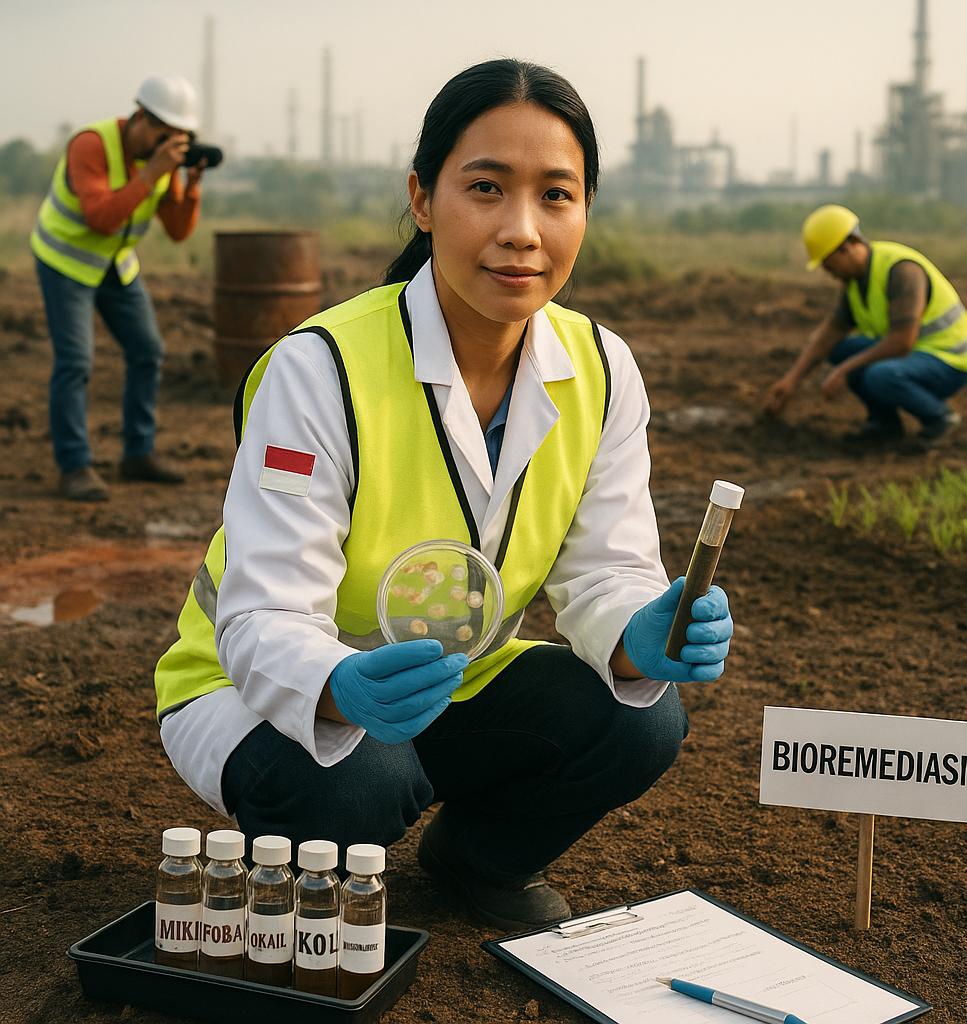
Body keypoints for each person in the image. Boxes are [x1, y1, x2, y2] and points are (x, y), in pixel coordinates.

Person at [153, 59, 734, 932]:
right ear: (423, 199)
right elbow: (262, 613)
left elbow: (607, 571)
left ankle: (481, 857)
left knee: (641, 723)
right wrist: (336, 682)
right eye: (486, 188)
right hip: (256, 681)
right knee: (361, 786)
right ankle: (330, 827)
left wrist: (635, 633)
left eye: (556, 195)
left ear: (586, 210)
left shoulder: (603, 369)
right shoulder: (320, 368)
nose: (522, 231)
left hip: (451, 681)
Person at [31, 75, 206, 501]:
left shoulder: (162, 160)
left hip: (115, 263)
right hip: (66, 261)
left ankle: (138, 453)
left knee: (148, 351)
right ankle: (74, 465)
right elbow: (101, 219)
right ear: (142, 117)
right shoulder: (91, 145)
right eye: (166, 133)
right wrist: (152, 173)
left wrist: (191, 186)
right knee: (76, 362)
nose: (171, 144)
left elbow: (178, 231)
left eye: (180, 136)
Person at [764, 205, 967, 449]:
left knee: (879, 375)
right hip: (918, 352)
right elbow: (830, 333)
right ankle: (884, 424)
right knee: (841, 349)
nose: (828, 272)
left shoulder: (902, 271)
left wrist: (844, 370)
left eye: (829, 263)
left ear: (850, 245)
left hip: (951, 360)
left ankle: (940, 418)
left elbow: (902, 342)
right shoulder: (856, 281)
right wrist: (791, 380)